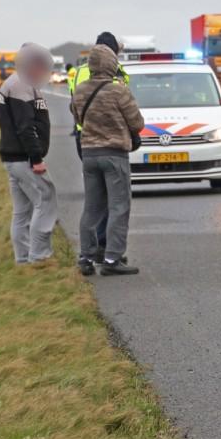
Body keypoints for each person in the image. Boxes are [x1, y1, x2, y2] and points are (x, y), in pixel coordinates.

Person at [71, 43, 144, 276]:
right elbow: (137, 123)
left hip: (89, 154)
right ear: (112, 64)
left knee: (92, 208)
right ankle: (112, 259)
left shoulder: (80, 90)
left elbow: (76, 115)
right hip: (114, 154)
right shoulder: (118, 91)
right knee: (118, 207)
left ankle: (86, 257)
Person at [69, 32, 130, 248]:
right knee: (117, 204)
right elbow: (131, 116)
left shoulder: (79, 74)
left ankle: (88, 253)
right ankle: (109, 251)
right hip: (111, 144)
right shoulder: (116, 77)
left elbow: (75, 108)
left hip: (86, 142)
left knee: (93, 205)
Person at [0, 42, 56, 264]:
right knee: (46, 198)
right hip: (23, 158)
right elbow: (24, 126)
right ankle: (40, 256)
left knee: (22, 210)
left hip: (14, 156)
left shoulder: (19, 82)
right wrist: (37, 158)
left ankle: (23, 258)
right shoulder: (21, 84)